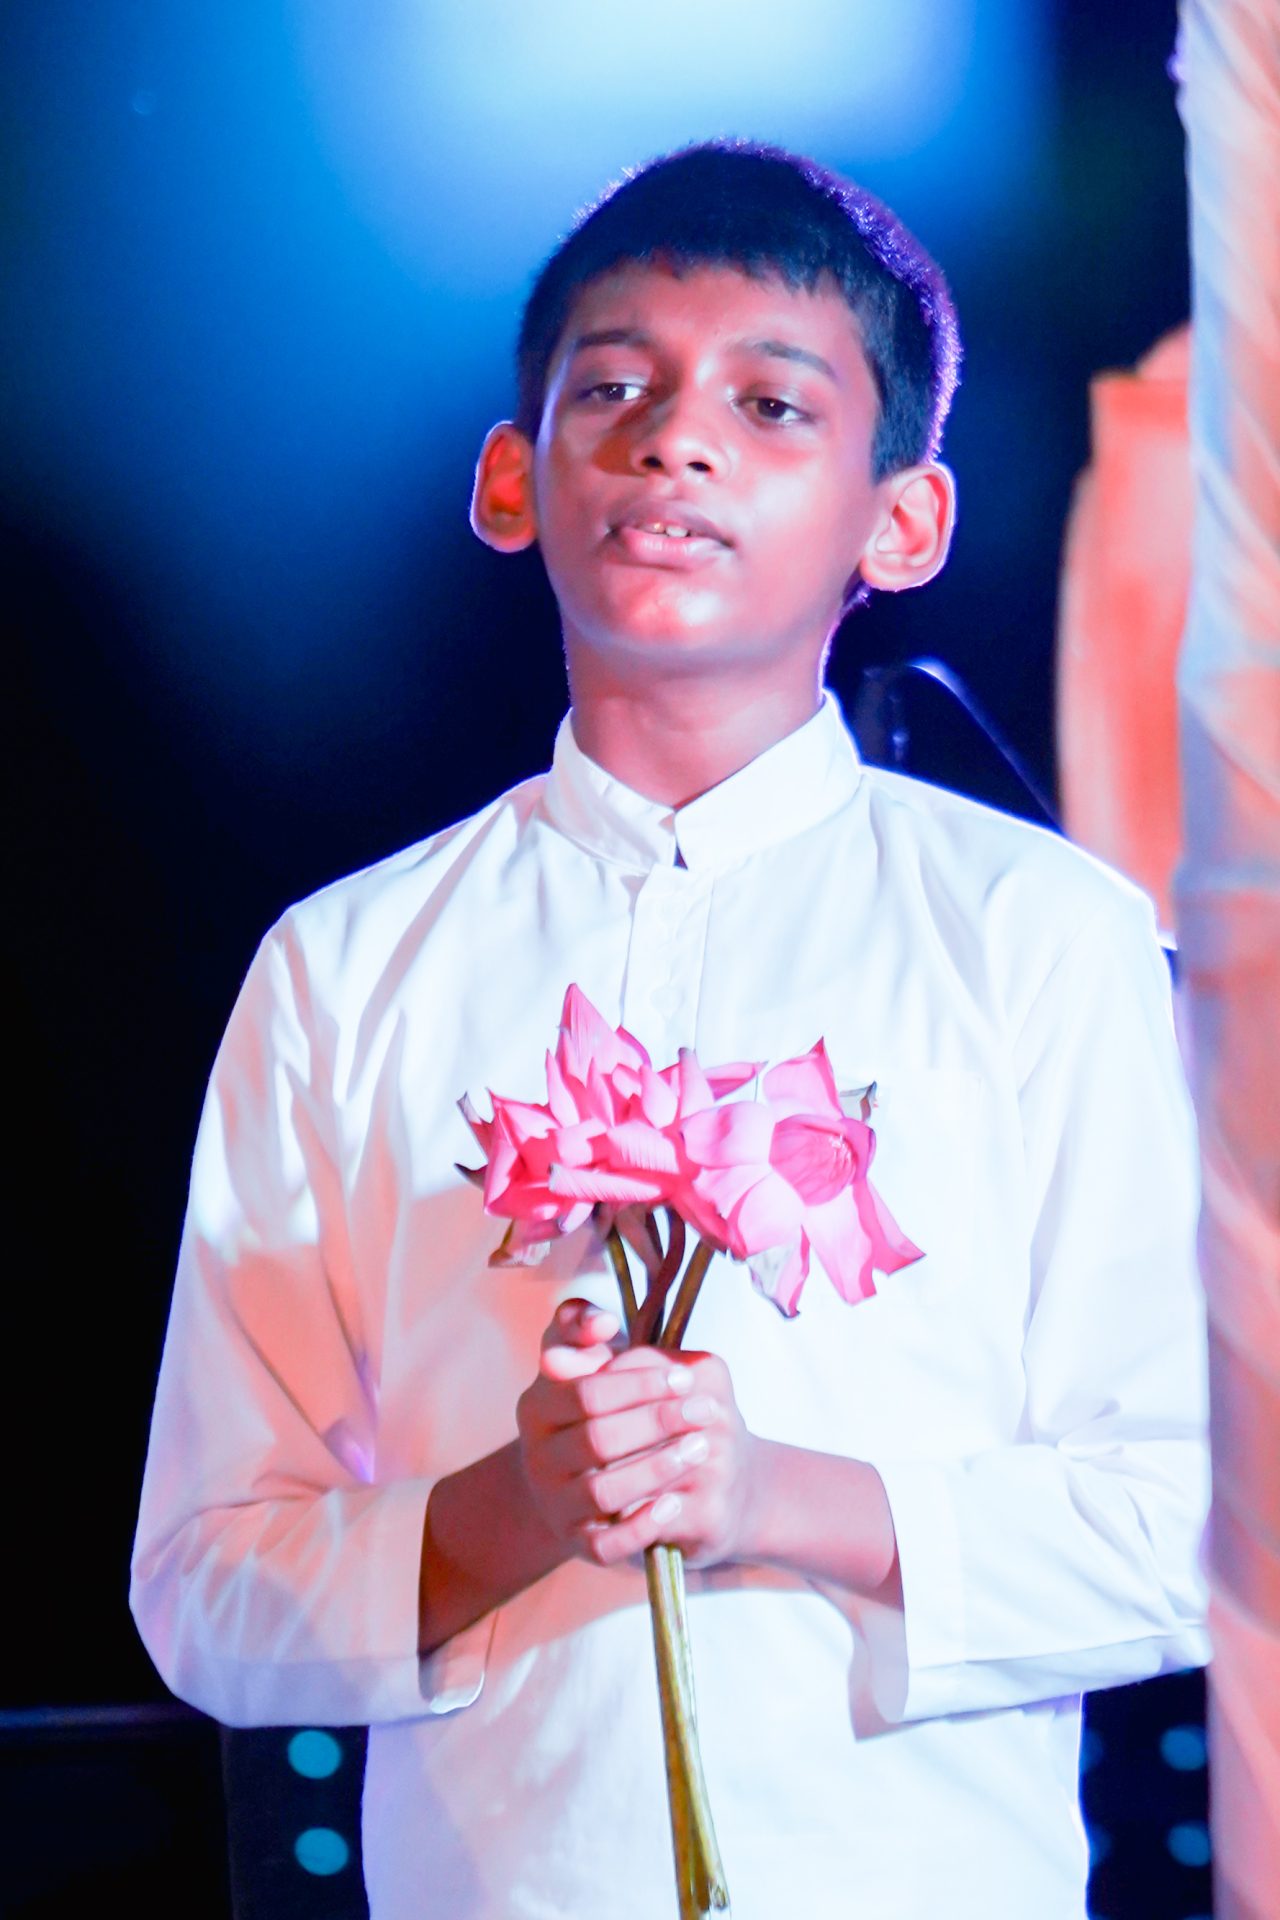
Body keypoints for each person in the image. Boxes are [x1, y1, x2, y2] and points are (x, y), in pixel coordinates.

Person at [131, 143, 1209, 1920]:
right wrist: (510, 1513)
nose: (674, 439)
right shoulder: (343, 969)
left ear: (903, 519)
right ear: (511, 477)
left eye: (773, 404)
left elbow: (1193, 1527)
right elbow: (205, 1593)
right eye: (613, 387)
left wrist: (777, 1492)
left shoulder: (1043, 937)